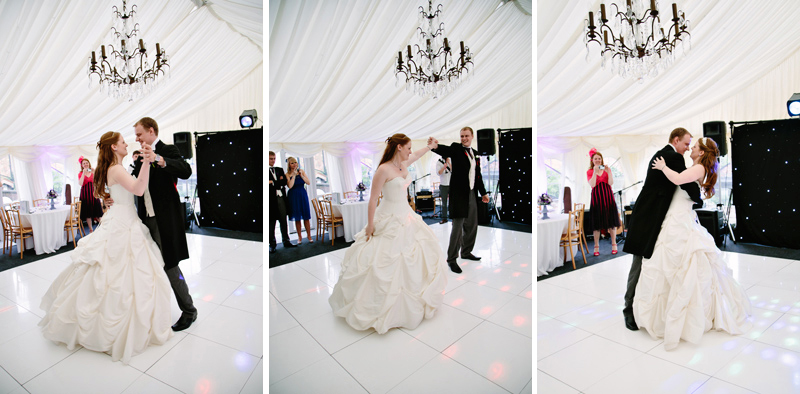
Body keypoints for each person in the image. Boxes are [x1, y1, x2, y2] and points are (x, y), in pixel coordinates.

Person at [39, 131, 172, 364]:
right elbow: (139, 190)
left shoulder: (113, 169)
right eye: (122, 142)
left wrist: (109, 199)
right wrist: (148, 163)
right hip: (124, 221)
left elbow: (114, 194)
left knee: (112, 270)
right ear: (113, 147)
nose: (126, 144)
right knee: (120, 270)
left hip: (121, 216)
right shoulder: (117, 169)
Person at [635, 137, 751, 349]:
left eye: (694, 147)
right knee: (667, 265)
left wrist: (662, 167)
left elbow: (679, 179)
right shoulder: (696, 167)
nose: (691, 149)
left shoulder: (698, 169)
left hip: (680, 221)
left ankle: (683, 318)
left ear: (702, 153)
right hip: (676, 218)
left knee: (680, 265)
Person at [329, 134, 446, 333]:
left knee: (415, 254)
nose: (410, 151)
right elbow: (373, 199)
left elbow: (417, 155)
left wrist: (430, 147)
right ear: (399, 147)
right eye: (408, 147)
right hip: (388, 216)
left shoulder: (403, 163)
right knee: (382, 260)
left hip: (406, 215)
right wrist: (370, 224)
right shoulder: (383, 169)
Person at [622, 128, 703, 331]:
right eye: (686, 143)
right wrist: (699, 197)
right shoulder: (672, 157)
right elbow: (688, 186)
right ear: (676, 140)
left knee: (648, 263)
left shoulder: (663, 154)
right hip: (649, 217)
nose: (687, 148)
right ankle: (629, 308)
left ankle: (643, 307)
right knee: (639, 263)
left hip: (650, 215)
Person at [132, 117, 197, 331]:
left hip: (164, 220)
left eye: (139, 134)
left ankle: (189, 310)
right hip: (144, 220)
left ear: (151, 131)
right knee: (148, 266)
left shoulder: (168, 150)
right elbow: (134, 185)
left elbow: (186, 171)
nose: (137, 139)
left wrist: (159, 159)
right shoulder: (140, 157)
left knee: (170, 265)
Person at [430, 127, 489, 274]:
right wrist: (435, 146)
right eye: (462, 136)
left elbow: (478, 175)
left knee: (472, 224)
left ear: (472, 136)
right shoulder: (456, 148)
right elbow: (446, 150)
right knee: (457, 227)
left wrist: (483, 193)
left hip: (472, 193)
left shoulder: (475, 154)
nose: (464, 138)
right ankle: (451, 259)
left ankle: (466, 252)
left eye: (466, 136)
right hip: (459, 194)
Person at [586, 149, 621, 256]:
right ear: (592, 160)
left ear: (601, 160)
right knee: (596, 224)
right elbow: (592, 184)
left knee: (611, 222)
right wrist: (595, 173)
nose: (597, 160)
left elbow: (610, 183)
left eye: (599, 158)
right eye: (595, 158)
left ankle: (614, 244)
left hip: (608, 197)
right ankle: (596, 247)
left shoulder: (607, 169)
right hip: (597, 198)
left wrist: (609, 172)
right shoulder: (590, 172)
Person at [269, 151, 297, 252]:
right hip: (270, 200)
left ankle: (286, 241)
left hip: (281, 199)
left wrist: (272, 182)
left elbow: (284, 183)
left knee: (283, 221)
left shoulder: (279, 169)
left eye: (274, 158)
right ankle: (272, 244)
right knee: (271, 223)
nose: (273, 160)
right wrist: (277, 182)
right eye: (270, 158)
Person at [286, 157, 313, 244]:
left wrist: (301, 176)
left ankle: (309, 235)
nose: (294, 164)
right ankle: (299, 237)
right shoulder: (287, 174)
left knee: (306, 217)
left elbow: (308, 182)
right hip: (293, 196)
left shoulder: (301, 171)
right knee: (297, 218)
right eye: (292, 163)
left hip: (302, 195)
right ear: (289, 165)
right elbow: (290, 186)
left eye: (295, 162)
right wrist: (293, 175)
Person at [77, 157, 104, 232]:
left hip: (93, 193)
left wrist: (94, 172)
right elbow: (80, 183)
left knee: (98, 212)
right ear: (82, 165)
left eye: (87, 163)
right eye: (84, 163)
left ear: (89, 163)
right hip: (85, 194)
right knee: (87, 213)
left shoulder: (93, 171)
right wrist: (83, 173)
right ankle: (91, 229)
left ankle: (104, 228)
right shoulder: (80, 173)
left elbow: (98, 181)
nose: (85, 164)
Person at [436, 156, 451, 224]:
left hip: (451, 184)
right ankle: (444, 218)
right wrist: (443, 167)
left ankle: (453, 219)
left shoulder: (451, 161)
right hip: (443, 185)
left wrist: (449, 163)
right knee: (444, 203)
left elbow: (454, 171)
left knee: (452, 202)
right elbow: (438, 173)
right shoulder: (439, 162)